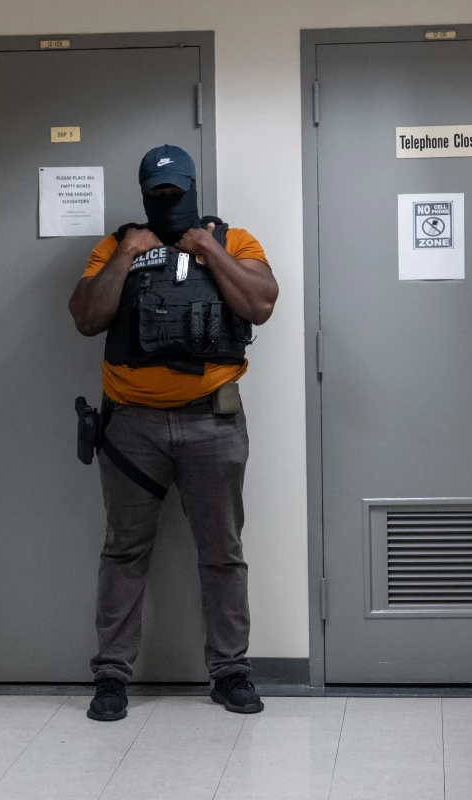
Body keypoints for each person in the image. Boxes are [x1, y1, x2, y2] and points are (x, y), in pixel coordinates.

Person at [68, 145, 278, 721]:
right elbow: (86, 318)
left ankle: (230, 672)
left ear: (192, 187)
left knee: (222, 553)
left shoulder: (234, 241)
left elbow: (261, 303)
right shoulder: (115, 245)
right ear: (142, 194)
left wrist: (207, 247)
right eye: (157, 194)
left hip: (214, 421)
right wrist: (126, 255)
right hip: (131, 426)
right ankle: (112, 678)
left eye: (176, 192)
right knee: (124, 551)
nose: (168, 202)